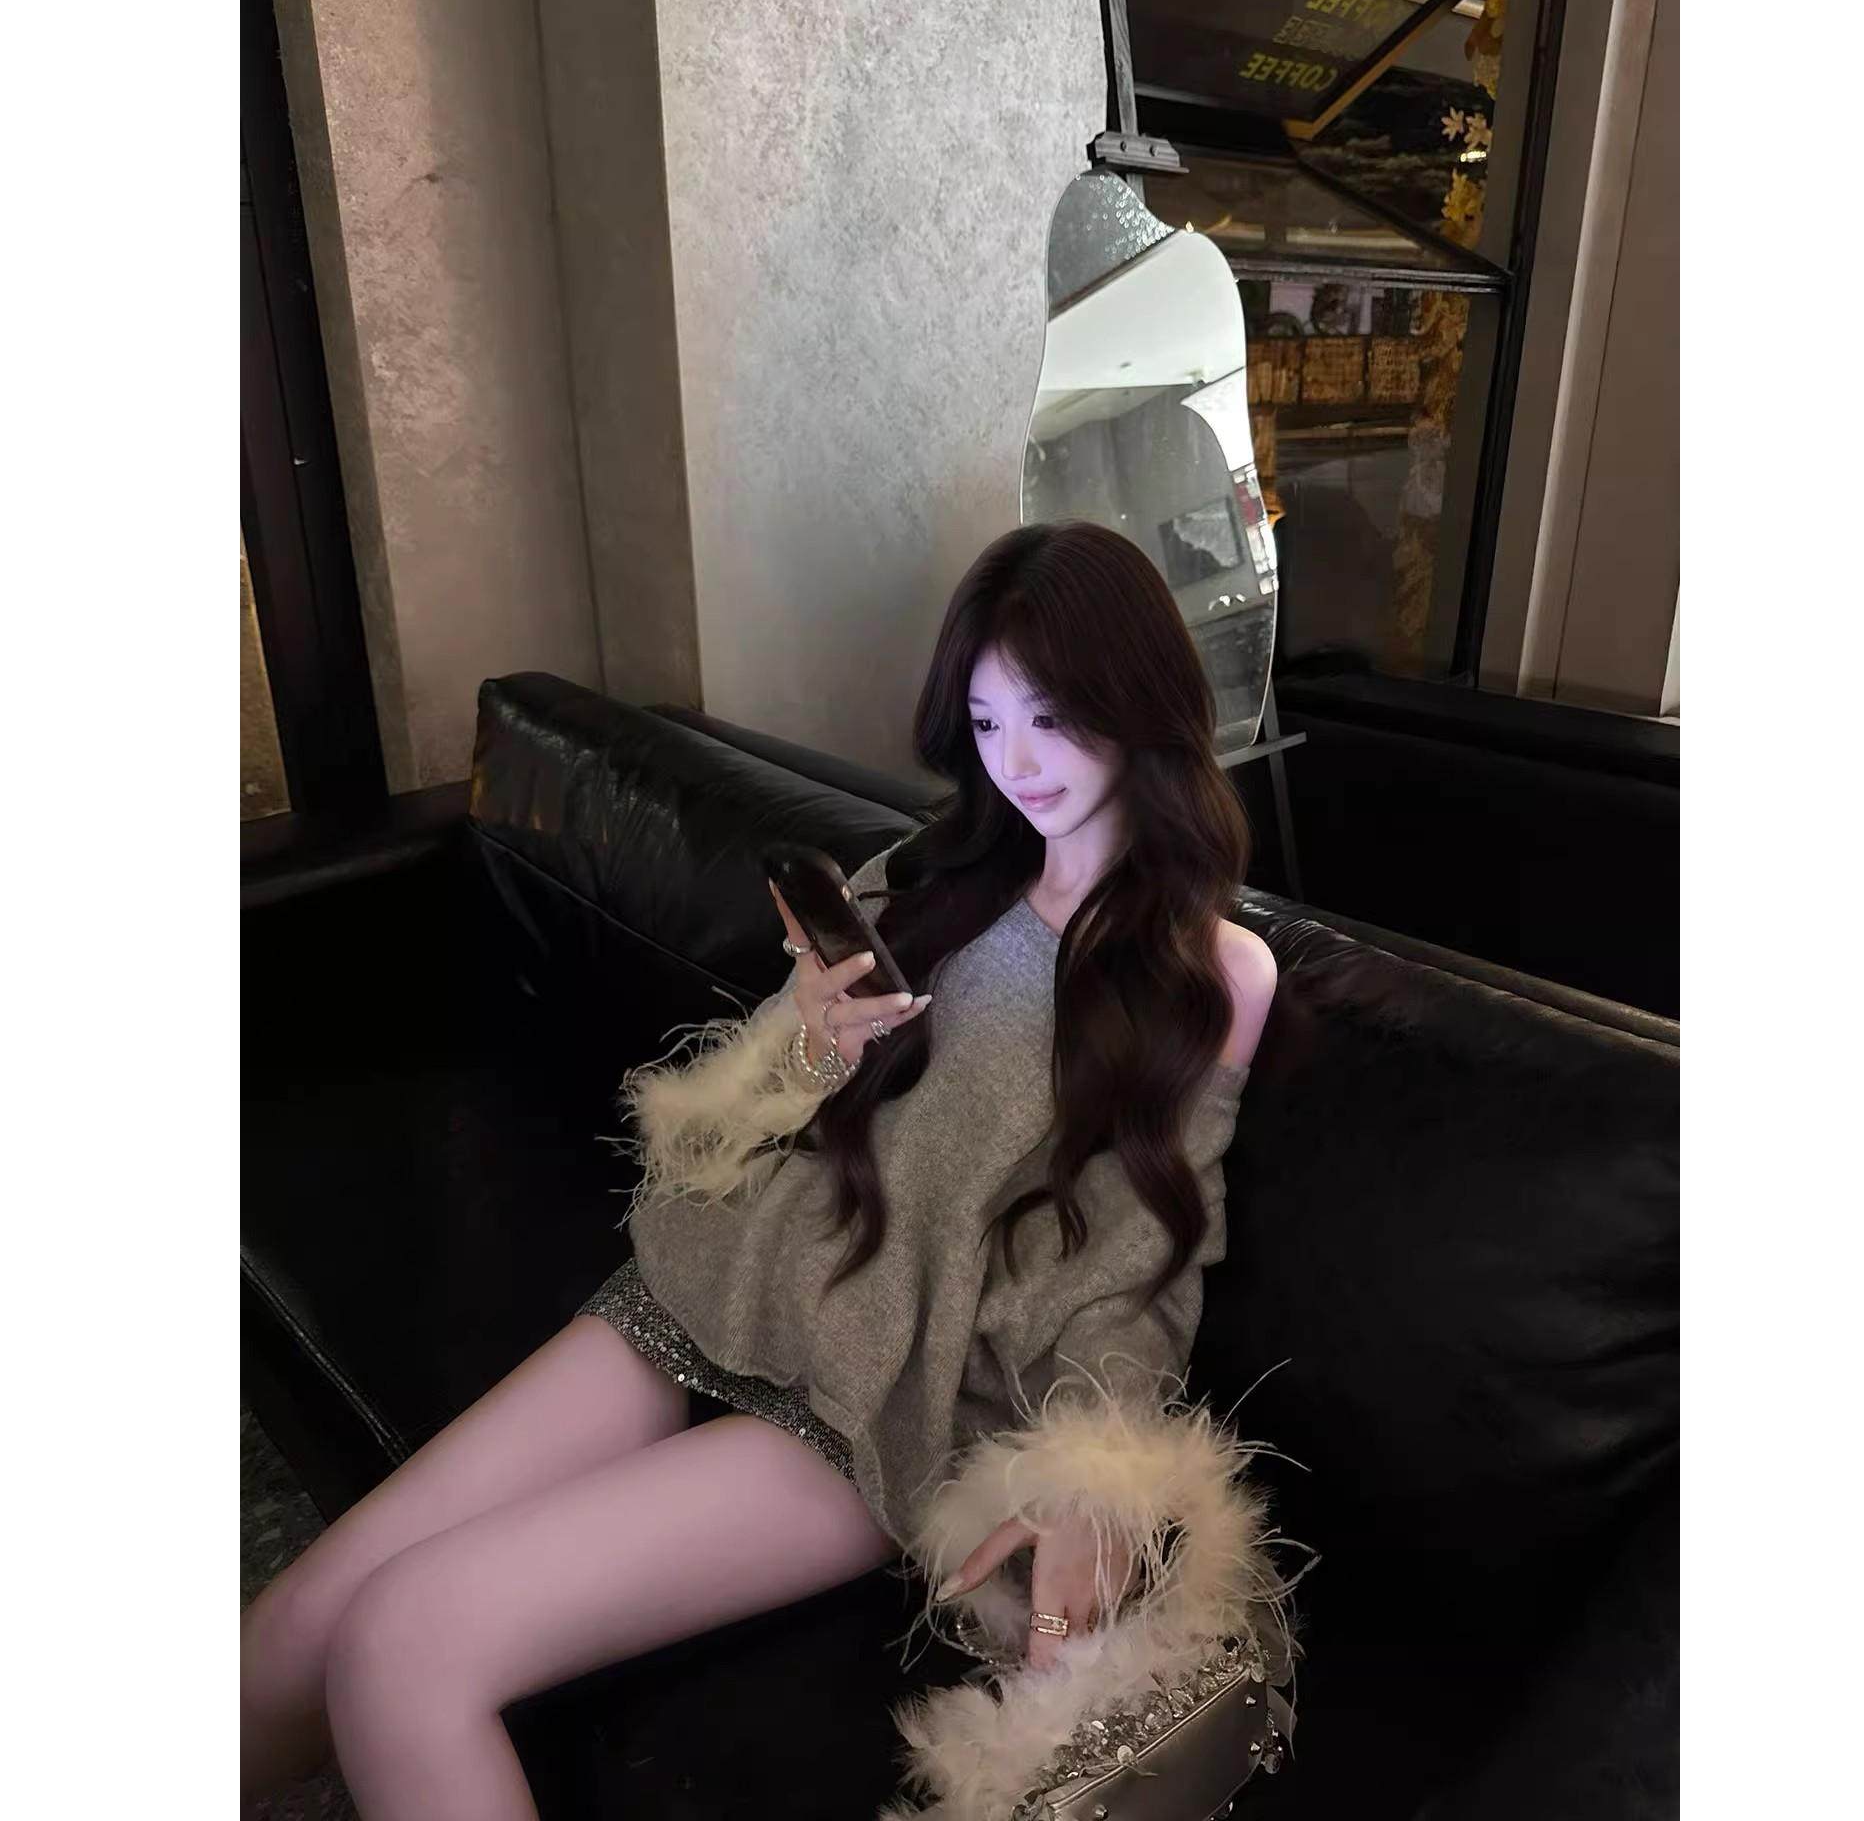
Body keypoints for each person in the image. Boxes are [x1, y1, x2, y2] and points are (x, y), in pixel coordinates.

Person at [240, 519, 1294, 1821]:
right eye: (985, 722)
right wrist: (806, 1046)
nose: (1017, 765)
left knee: (401, 1647)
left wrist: (1097, 1477)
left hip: (877, 1402)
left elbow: (1145, 1258)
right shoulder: (929, 877)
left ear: (1140, 705)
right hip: (723, 1286)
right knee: (284, 1639)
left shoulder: (1213, 973)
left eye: (1053, 720)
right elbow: (733, 1120)